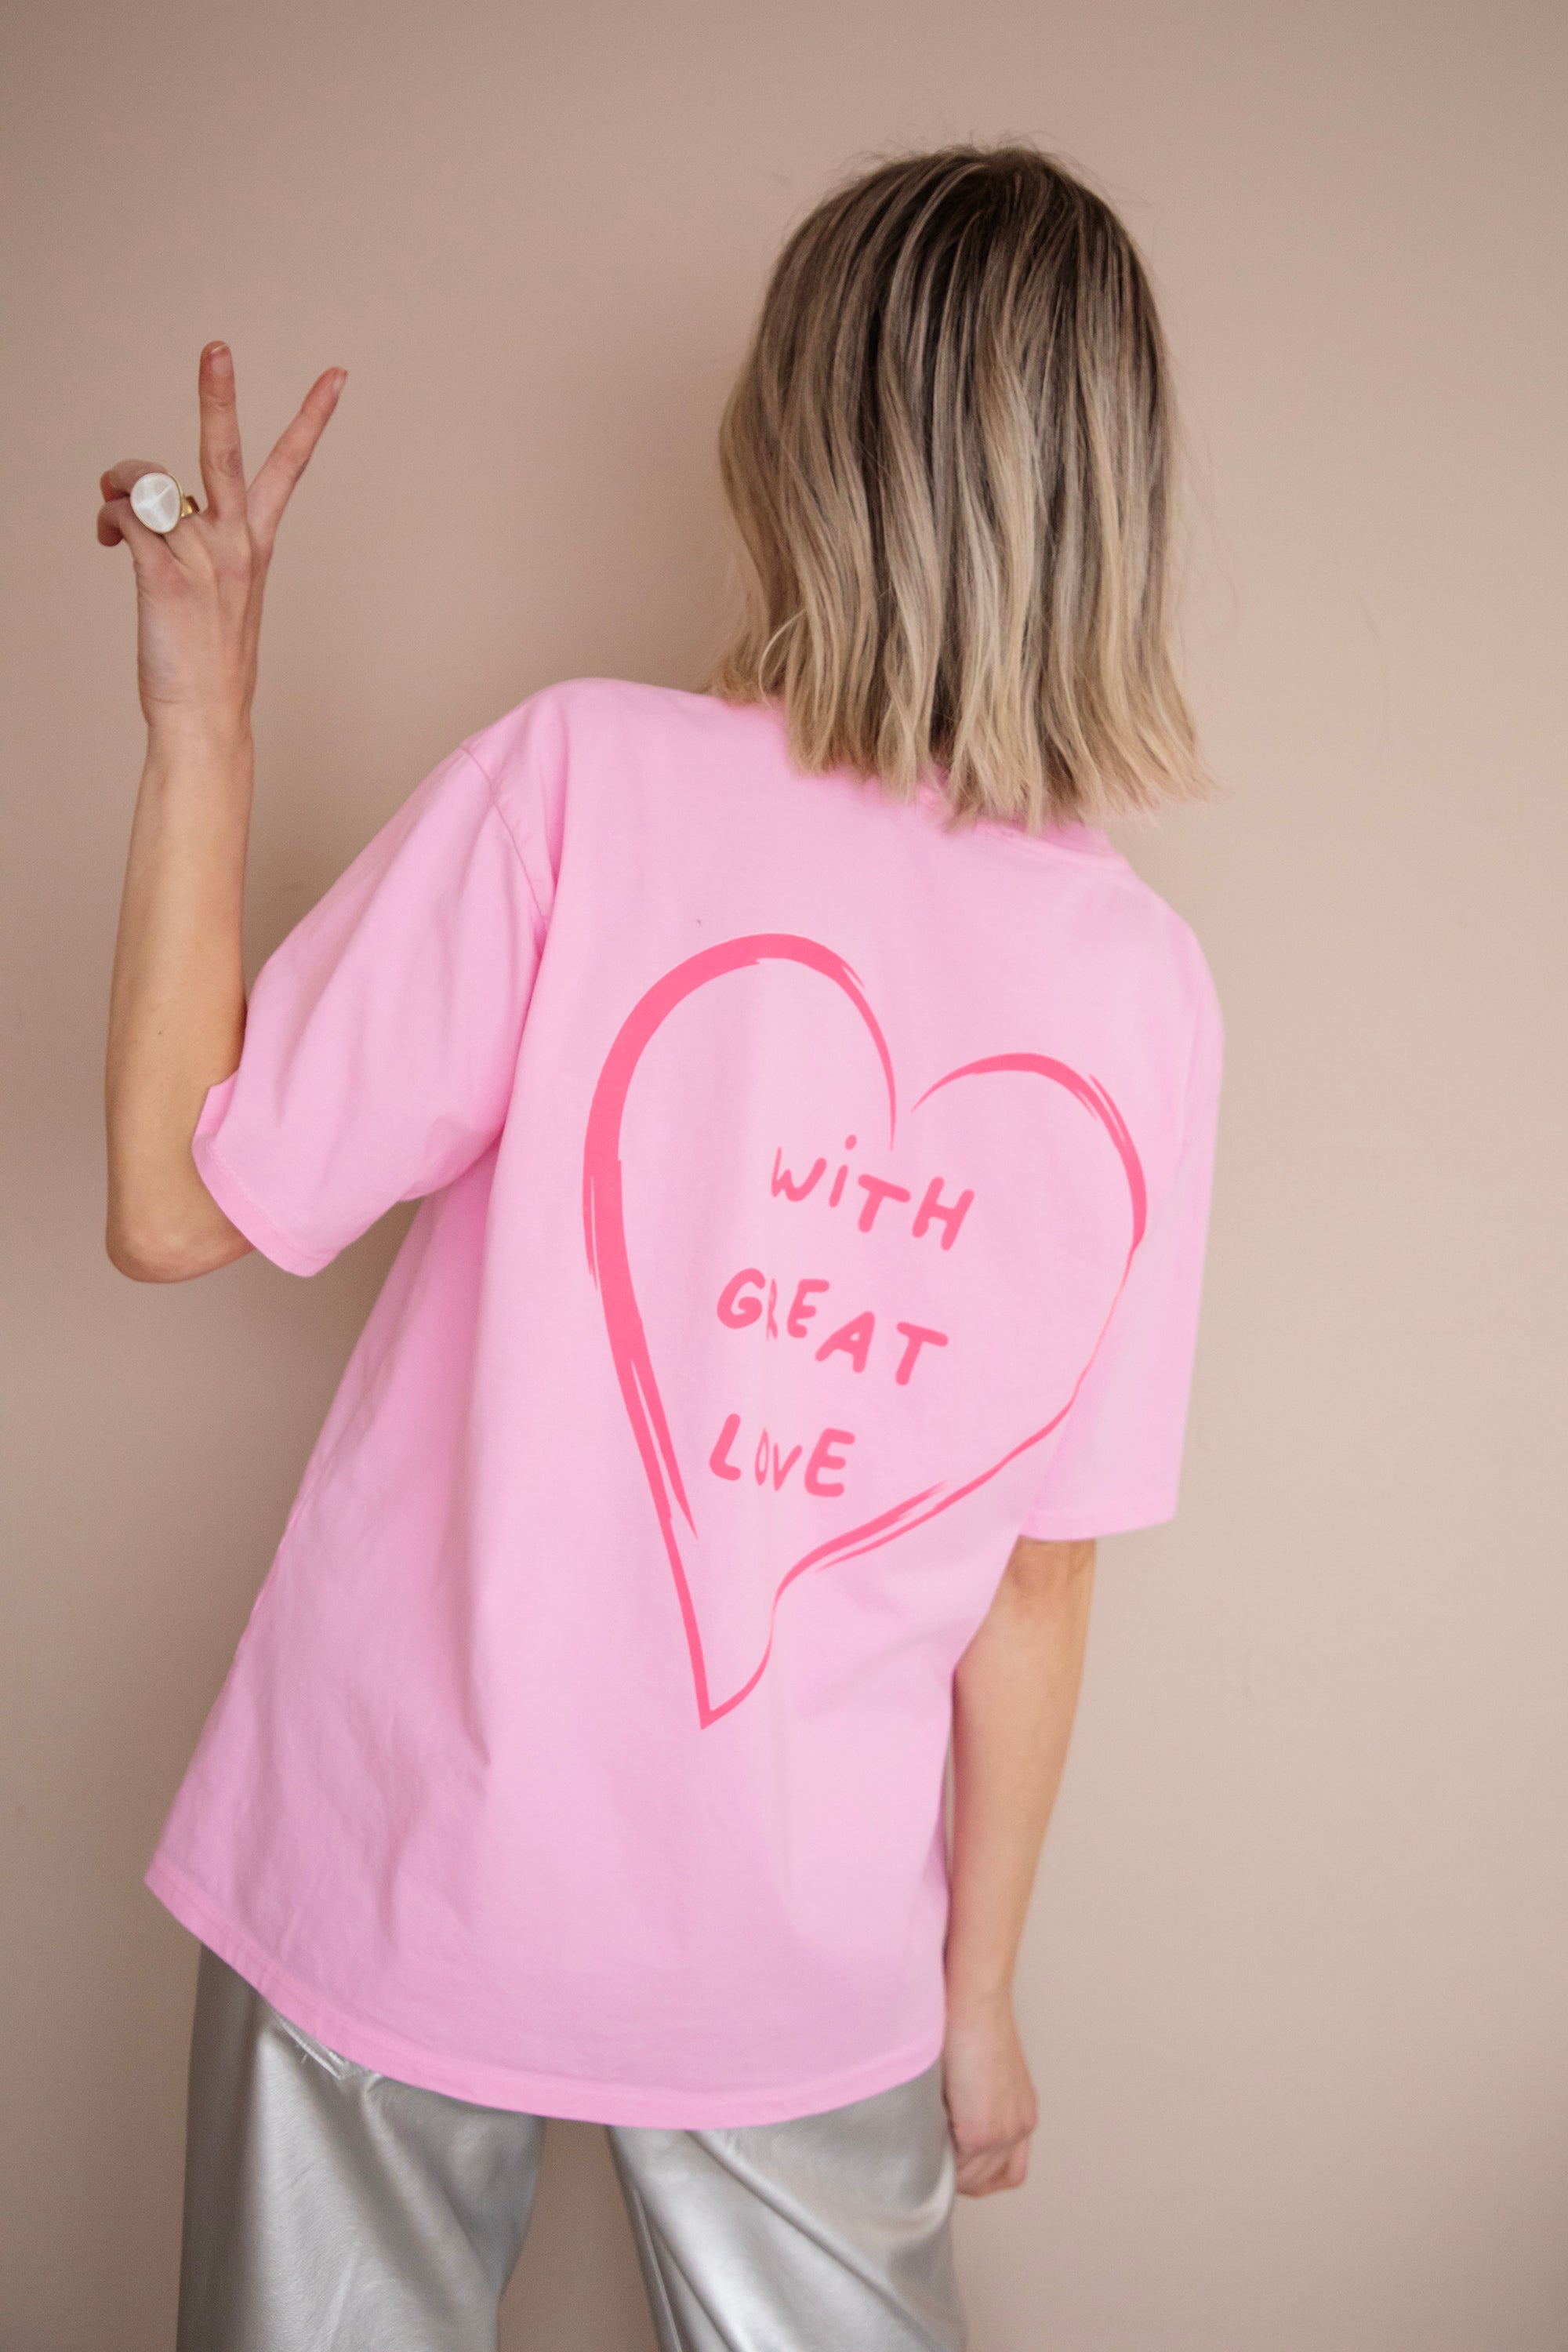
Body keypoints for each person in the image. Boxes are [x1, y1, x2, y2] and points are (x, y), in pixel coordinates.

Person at [100, 143, 1222, 2352]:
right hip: (796, 1942)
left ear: (790, 442)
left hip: (398, 1851)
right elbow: (1039, 1577)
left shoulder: (576, 782)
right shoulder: (1143, 991)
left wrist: (200, 718)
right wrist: (975, 1996)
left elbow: (170, 1202)